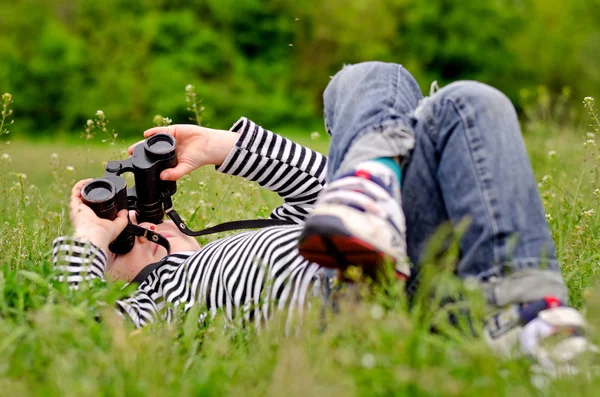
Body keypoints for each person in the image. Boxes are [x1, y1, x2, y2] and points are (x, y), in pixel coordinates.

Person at [55, 62, 590, 368]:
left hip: (403, 258)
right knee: (457, 105)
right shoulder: (156, 306)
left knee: (438, 93)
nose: (142, 230)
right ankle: (530, 319)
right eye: (124, 243)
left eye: (144, 222)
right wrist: (89, 237)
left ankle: (528, 319)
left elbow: (322, 180)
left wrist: (221, 146)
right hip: (353, 301)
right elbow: (71, 340)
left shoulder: (281, 232)